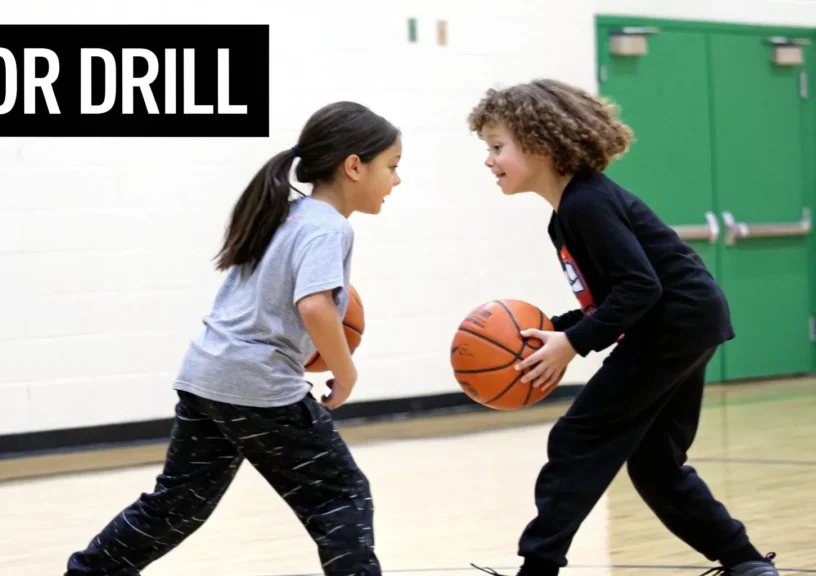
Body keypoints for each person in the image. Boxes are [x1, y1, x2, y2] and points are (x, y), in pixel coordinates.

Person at [63, 101, 402, 576]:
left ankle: (88, 573)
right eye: (392, 166)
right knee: (340, 496)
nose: (396, 180)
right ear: (353, 167)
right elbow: (314, 306)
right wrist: (345, 372)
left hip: (206, 374)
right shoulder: (329, 226)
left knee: (178, 502)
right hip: (259, 385)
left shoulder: (285, 214)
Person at [464, 79, 779, 576]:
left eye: (497, 147)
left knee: (577, 438)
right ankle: (745, 563)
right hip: (690, 320)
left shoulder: (587, 204)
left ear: (540, 145)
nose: (489, 160)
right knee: (655, 464)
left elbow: (640, 289)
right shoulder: (566, 214)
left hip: (673, 323)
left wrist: (572, 343)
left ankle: (538, 568)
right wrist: (556, 331)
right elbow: (616, 299)